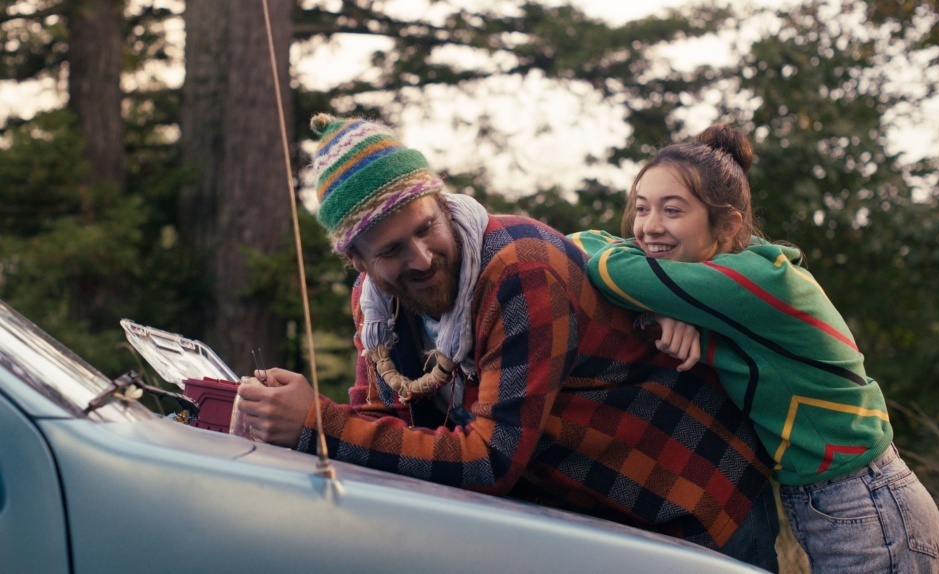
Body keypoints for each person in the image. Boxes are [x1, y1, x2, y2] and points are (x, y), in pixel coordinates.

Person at [235, 114, 777, 562]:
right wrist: (286, 420)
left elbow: (488, 461)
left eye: (426, 228)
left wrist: (318, 425)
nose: (421, 258)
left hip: (694, 505)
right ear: (359, 261)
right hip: (593, 522)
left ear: (443, 204)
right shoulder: (376, 304)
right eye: (392, 250)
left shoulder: (522, 271)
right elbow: (380, 418)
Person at [570, 124, 939, 572]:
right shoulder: (734, 270)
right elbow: (581, 241)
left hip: (865, 503)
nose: (650, 226)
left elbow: (605, 266)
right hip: (843, 500)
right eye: (641, 208)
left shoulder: (752, 283)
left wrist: (657, 302)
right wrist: (664, 311)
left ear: (727, 225)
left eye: (672, 210)